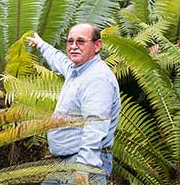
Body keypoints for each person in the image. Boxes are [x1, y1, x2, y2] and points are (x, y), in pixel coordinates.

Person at [27, 23, 121, 185]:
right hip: (68, 163)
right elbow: (60, 61)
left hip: (84, 163)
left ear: (97, 45)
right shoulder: (77, 70)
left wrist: (84, 168)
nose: (74, 46)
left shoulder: (96, 78)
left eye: (80, 41)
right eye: (70, 42)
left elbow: (95, 125)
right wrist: (42, 45)